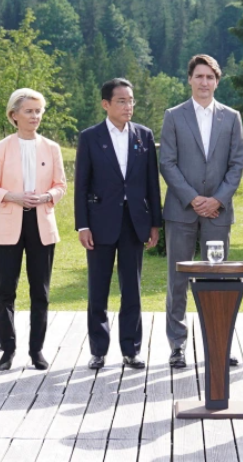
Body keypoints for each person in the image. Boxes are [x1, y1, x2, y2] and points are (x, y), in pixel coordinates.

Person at [160, 54, 243, 368]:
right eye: (199, 76)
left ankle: (218, 343)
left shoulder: (232, 117)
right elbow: (167, 162)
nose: (204, 82)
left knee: (218, 279)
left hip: (217, 212)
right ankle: (177, 345)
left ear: (217, 81)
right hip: (181, 210)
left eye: (210, 77)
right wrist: (193, 198)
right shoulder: (174, 116)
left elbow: (237, 164)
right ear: (190, 79)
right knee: (177, 280)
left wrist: (217, 200)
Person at [75, 78, 162, 371]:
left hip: (135, 222)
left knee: (132, 289)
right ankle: (98, 351)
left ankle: (131, 350)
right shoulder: (90, 137)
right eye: (122, 101)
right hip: (100, 222)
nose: (128, 106)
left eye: (131, 100)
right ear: (106, 104)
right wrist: (82, 225)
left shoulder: (144, 136)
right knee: (98, 288)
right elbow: (81, 185)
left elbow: (152, 182)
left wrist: (155, 223)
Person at [0, 88, 66, 371]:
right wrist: (14, 196)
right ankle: (7, 351)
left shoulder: (52, 148)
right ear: (14, 115)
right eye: (29, 111)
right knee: (6, 291)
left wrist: (47, 196)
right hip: (9, 224)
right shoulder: (1, 148)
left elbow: (61, 186)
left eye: (38, 111)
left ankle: (36, 350)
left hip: (41, 225)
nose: (35, 116)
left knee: (40, 292)